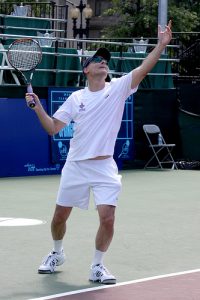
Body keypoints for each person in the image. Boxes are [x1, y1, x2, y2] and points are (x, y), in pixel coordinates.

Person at [25, 21, 172, 284]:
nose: (103, 62)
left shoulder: (118, 89)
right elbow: (52, 128)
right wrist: (37, 107)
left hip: (104, 167)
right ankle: (57, 253)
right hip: (75, 165)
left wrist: (160, 45)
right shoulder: (76, 98)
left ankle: (97, 266)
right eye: (97, 60)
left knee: (108, 218)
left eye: (105, 60)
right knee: (60, 216)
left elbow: (143, 69)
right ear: (86, 69)